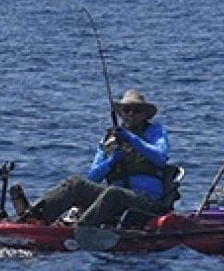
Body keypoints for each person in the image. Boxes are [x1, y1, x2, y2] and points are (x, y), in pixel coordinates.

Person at [16, 89, 173, 228]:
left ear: (145, 114)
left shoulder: (155, 132)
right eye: (127, 110)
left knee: (113, 194)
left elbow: (160, 158)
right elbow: (93, 177)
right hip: (113, 198)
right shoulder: (109, 139)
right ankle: (35, 218)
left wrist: (132, 139)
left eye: (136, 110)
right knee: (74, 184)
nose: (131, 114)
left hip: (145, 201)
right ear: (121, 113)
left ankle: (82, 229)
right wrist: (111, 161)